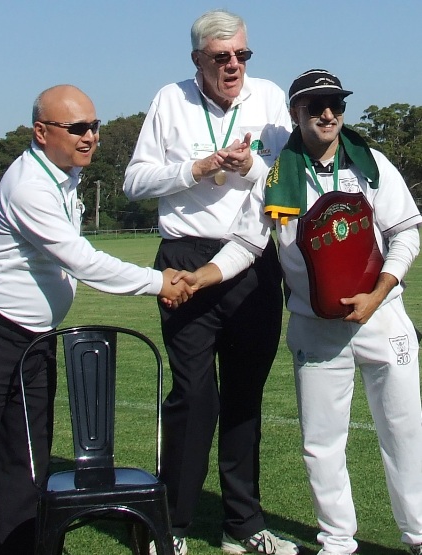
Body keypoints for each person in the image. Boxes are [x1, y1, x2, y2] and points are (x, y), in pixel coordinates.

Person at [174, 69, 422, 555]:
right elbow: (247, 243)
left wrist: (380, 290)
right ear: (295, 113)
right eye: (315, 106)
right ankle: (337, 541)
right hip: (316, 325)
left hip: (383, 315)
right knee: (322, 443)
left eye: (335, 104)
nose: (328, 114)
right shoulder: (275, 176)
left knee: (404, 431)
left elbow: (407, 231)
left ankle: (417, 535)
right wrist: (203, 275)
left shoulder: (372, 164)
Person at [0, 84, 193, 555]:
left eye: (95, 127)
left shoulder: (65, 176)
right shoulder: (29, 183)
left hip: (33, 343)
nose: (90, 137)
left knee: (26, 467)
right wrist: (158, 281)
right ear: (41, 132)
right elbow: (82, 262)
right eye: (78, 128)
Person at [123, 9, 297, 555]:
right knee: (194, 395)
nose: (233, 66)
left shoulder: (269, 98)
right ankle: (170, 524)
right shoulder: (169, 100)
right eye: (221, 57)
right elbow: (133, 181)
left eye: (242, 55)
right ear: (197, 58)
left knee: (245, 396)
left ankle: (241, 526)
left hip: (254, 257)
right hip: (185, 258)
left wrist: (245, 168)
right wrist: (198, 168)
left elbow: (288, 177)